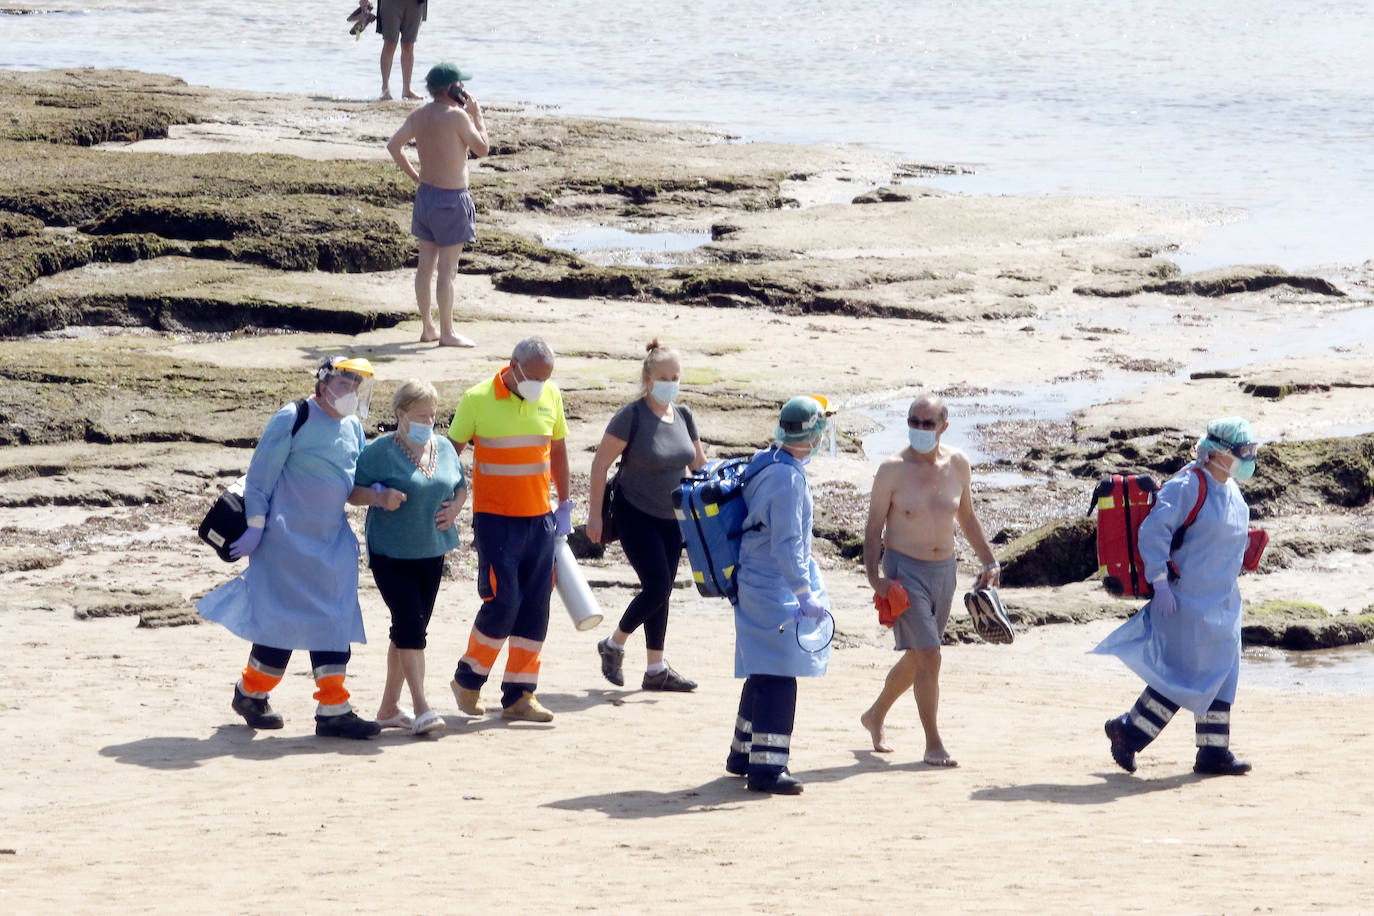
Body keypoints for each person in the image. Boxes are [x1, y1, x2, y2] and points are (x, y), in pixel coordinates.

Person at [198, 356, 405, 740]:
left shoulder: (353, 429)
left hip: (331, 547)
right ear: (324, 383)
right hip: (284, 544)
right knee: (281, 628)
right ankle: (250, 692)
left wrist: (377, 496)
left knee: (333, 622)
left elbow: (349, 489)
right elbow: (260, 479)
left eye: (358, 385)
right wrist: (257, 527)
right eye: (346, 383)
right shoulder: (293, 418)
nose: (352, 392)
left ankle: (334, 709)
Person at [1092, 417, 1258, 777]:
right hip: (1186, 602)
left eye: (1252, 450)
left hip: (1223, 601)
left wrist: (1248, 547)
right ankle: (1128, 732)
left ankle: (1213, 753)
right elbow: (1154, 532)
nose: (1249, 457)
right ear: (1216, 452)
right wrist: (1160, 582)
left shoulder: (1231, 490)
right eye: (1242, 451)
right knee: (1187, 675)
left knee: (1223, 674)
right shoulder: (1188, 484)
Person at [859, 392, 1000, 766]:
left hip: (945, 572)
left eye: (927, 423)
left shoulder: (958, 464)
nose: (919, 429)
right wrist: (876, 580)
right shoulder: (891, 469)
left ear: (943, 427)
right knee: (931, 655)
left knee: (922, 656)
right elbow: (873, 530)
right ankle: (933, 742)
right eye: (914, 421)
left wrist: (989, 561)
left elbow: (967, 517)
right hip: (903, 571)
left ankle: (874, 715)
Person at [447, 337, 573, 722]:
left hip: (540, 518)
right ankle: (468, 679)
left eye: (545, 378)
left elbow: (559, 450)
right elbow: (450, 454)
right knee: (504, 602)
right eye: (533, 376)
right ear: (513, 365)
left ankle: (520, 694)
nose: (539, 384)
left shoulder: (551, 395)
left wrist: (565, 503)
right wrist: (447, 501)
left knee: (536, 607)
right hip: (495, 519)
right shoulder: (476, 399)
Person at [724, 396, 834, 795]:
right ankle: (767, 770)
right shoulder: (789, 480)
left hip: (754, 580)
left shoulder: (765, 460)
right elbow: (788, 545)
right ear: (812, 435)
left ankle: (742, 755)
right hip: (774, 588)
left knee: (761, 668)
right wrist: (804, 594)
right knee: (779, 677)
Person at [586, 340, 708, 691]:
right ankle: (613, 644)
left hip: (673, 517)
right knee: (656, 586)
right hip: (634, 512)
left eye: (676, 376)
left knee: (662, 590)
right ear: (648, 377)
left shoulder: (684, 415)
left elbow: (698, 465)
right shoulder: (632, 416)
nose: (671, 382)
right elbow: (599, 465)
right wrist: (594, 515)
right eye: (664, 376)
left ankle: (656, 669)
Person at [354, 379, 466, 737]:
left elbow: (460, 486)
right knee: (411, 626)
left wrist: (456, 508)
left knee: (408, 629)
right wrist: (379, 496)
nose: (428, 422)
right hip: (390, 552)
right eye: (421, 415)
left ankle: (388, 708)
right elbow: (351, 492)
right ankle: (421, 707)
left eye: (432, 415)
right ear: (400, 414)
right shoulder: (379, 452)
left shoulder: (445, 448)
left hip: (431, 550)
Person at [386, 62, 489, 348]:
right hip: (451, 199)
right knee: (447, 271)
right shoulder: (458, 117)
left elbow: (394, 146)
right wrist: (477, 116)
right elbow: (483, 149)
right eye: (461, 85)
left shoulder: (419, 115)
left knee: (424, 267)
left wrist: (416, 176)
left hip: (426, 197)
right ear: (452, 88)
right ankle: (447, 332)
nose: (465, 90)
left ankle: (427, 327)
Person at [375, 0, 427, 101]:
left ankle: (407, 89)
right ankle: (385, 89)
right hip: (391, 3)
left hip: (415, 3)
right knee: (390, 43)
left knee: (408, 45)